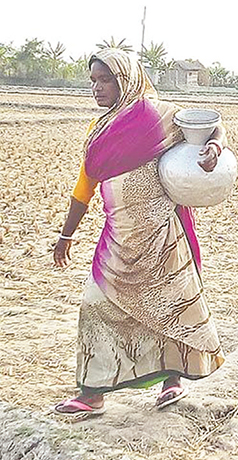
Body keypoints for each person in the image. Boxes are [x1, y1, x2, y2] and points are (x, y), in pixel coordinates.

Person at [53, 49, 225, 416]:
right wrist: (66, 234)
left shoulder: (159, 116)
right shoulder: (97, 130)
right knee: (96, 305)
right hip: (119, 236)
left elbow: (213, 126)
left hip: (161, 234)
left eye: (106, 80)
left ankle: (171, 381)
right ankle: (93, 393)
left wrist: (214, 146)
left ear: (126, 79)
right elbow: (84, 187)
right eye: (93, 81)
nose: (97, 88)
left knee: (170, 307)